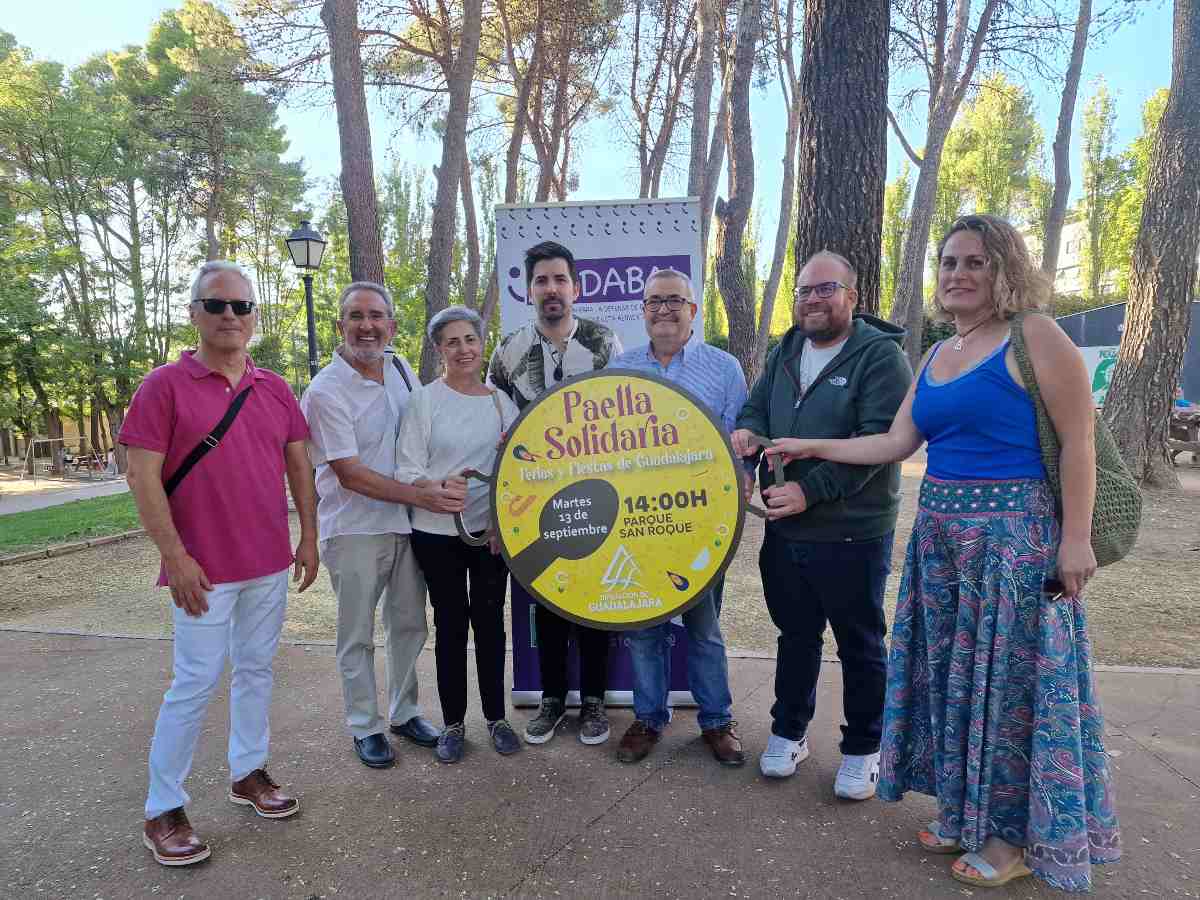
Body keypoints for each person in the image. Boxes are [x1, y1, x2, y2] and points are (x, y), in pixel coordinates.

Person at [762, 215, 1120, 891]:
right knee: (955, 684)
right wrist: (811, 446)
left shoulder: (1035, 335)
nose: (958, 274)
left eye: (975, 263)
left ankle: (1010, 837)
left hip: (1013, 545)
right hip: (941, 546)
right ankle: (964, 810)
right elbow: (894, 445)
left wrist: (1075, 540)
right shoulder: (934, 355)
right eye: (949, 263)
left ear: (1005, 270)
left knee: (1010, 693)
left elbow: (1079, 441)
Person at [122, 260, 319, 867]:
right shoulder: (163, 386)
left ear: (254, 316)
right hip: (201, 569)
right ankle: (163, 809)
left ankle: (248, 773)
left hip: (265, 562)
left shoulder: (275, 388)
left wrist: (308, 537)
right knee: (195, 683)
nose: (230, 316)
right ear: (195, 314)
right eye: (216, 305)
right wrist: (174, 556)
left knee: (257, 669)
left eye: (240, 306)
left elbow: (299, 467)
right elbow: (141, 475)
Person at [731, 250, 911, 800]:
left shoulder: (880, 358)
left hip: (852, 530)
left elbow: (877, 444)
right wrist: (746, 433)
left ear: (852, 297)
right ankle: (789, 732)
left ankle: (863, 749)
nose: (812, 299)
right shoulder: (785, 349)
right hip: (786, 531)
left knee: (859, 643)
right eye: (804, 290)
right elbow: (756, 409)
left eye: (824, 289)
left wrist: (810, 490)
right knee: (796, 635)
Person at [301, 282, 462, 770]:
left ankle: (404, 712)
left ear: (391, 326)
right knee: (356, 634)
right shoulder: (325, 391)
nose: (366, 326)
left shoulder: (399, 367)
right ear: (340, 326)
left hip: (407, 524)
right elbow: (348, 474)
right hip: (354, 529)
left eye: (376, 317)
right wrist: (422, 494)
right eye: (356, 317)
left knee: (409, 623)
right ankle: (364, 726)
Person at [610, 269, 748, 767]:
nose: (664, 309)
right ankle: (649, 718)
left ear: (693, 308)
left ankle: (716, 721)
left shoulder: (725, 369)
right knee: (645, 627)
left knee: (704, 626)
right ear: (642, 310)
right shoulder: (619, 368)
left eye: (674, 300)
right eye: (654, 301)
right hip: (637, 525)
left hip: (701, 525)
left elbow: (739, 449)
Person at [487, 240, 623, 745]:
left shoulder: (605, 342)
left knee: (594, 596)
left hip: (597, 493)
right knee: (546, 600)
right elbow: (497, 427)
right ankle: (550, 699)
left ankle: (592, 702)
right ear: (528, 289)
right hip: (535, 500)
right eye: (541, 280)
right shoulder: (508, 351)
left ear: (576, 287)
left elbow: (622, 415)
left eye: (559, 280)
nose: (551, 289)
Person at [395, 306, 522, 763]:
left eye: (470, 339)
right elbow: (407, 467)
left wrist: (505, 530)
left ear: (480, 344)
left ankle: (497, 718)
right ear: (438, 349)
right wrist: (434, 489)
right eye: (453, 341)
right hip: (435, 533)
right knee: (450, 624)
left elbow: (516, 475)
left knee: (490, 622)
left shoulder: (500, 404)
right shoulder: (424, 401)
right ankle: (452, 724)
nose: (463, 349)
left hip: (488, 536)